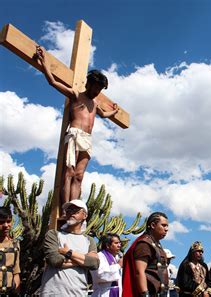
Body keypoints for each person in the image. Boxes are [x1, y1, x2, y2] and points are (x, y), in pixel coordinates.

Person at [35, 46, 119, 205]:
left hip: (87, 139)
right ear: (89, 84)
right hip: (74, 134)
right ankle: (66, 207)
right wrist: (43, 60)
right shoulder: (76, 95)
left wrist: (114, 113)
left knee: (79, 175)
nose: (97, 92)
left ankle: (74, 206)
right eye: (95, 88)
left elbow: (102, 114)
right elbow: (52, 82)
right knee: (69, 172)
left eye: (99, 90)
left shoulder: (95, 103)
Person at [40, 199, 100, 296]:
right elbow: (55, 260)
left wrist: (68, 253)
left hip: (78, 293)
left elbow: (94, 263)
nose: (71, 213)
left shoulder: (89, 240)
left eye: (76, 211)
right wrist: (84, 260)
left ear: (85, 215)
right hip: (53, 293)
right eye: (69, 210)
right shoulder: (54, 234)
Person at [123, 212, 170, 297]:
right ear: (152, 225)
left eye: (167, 226)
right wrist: (145, 294)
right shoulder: (144, 244)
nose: (166, 229)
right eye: (163, 225)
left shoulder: (156, 244)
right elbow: (139, 271)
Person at [0, 207, 20, 296]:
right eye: (1, 222)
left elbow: (16, 272)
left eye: (8, 221)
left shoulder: (14, 245)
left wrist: (17, 291)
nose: (6, 225)